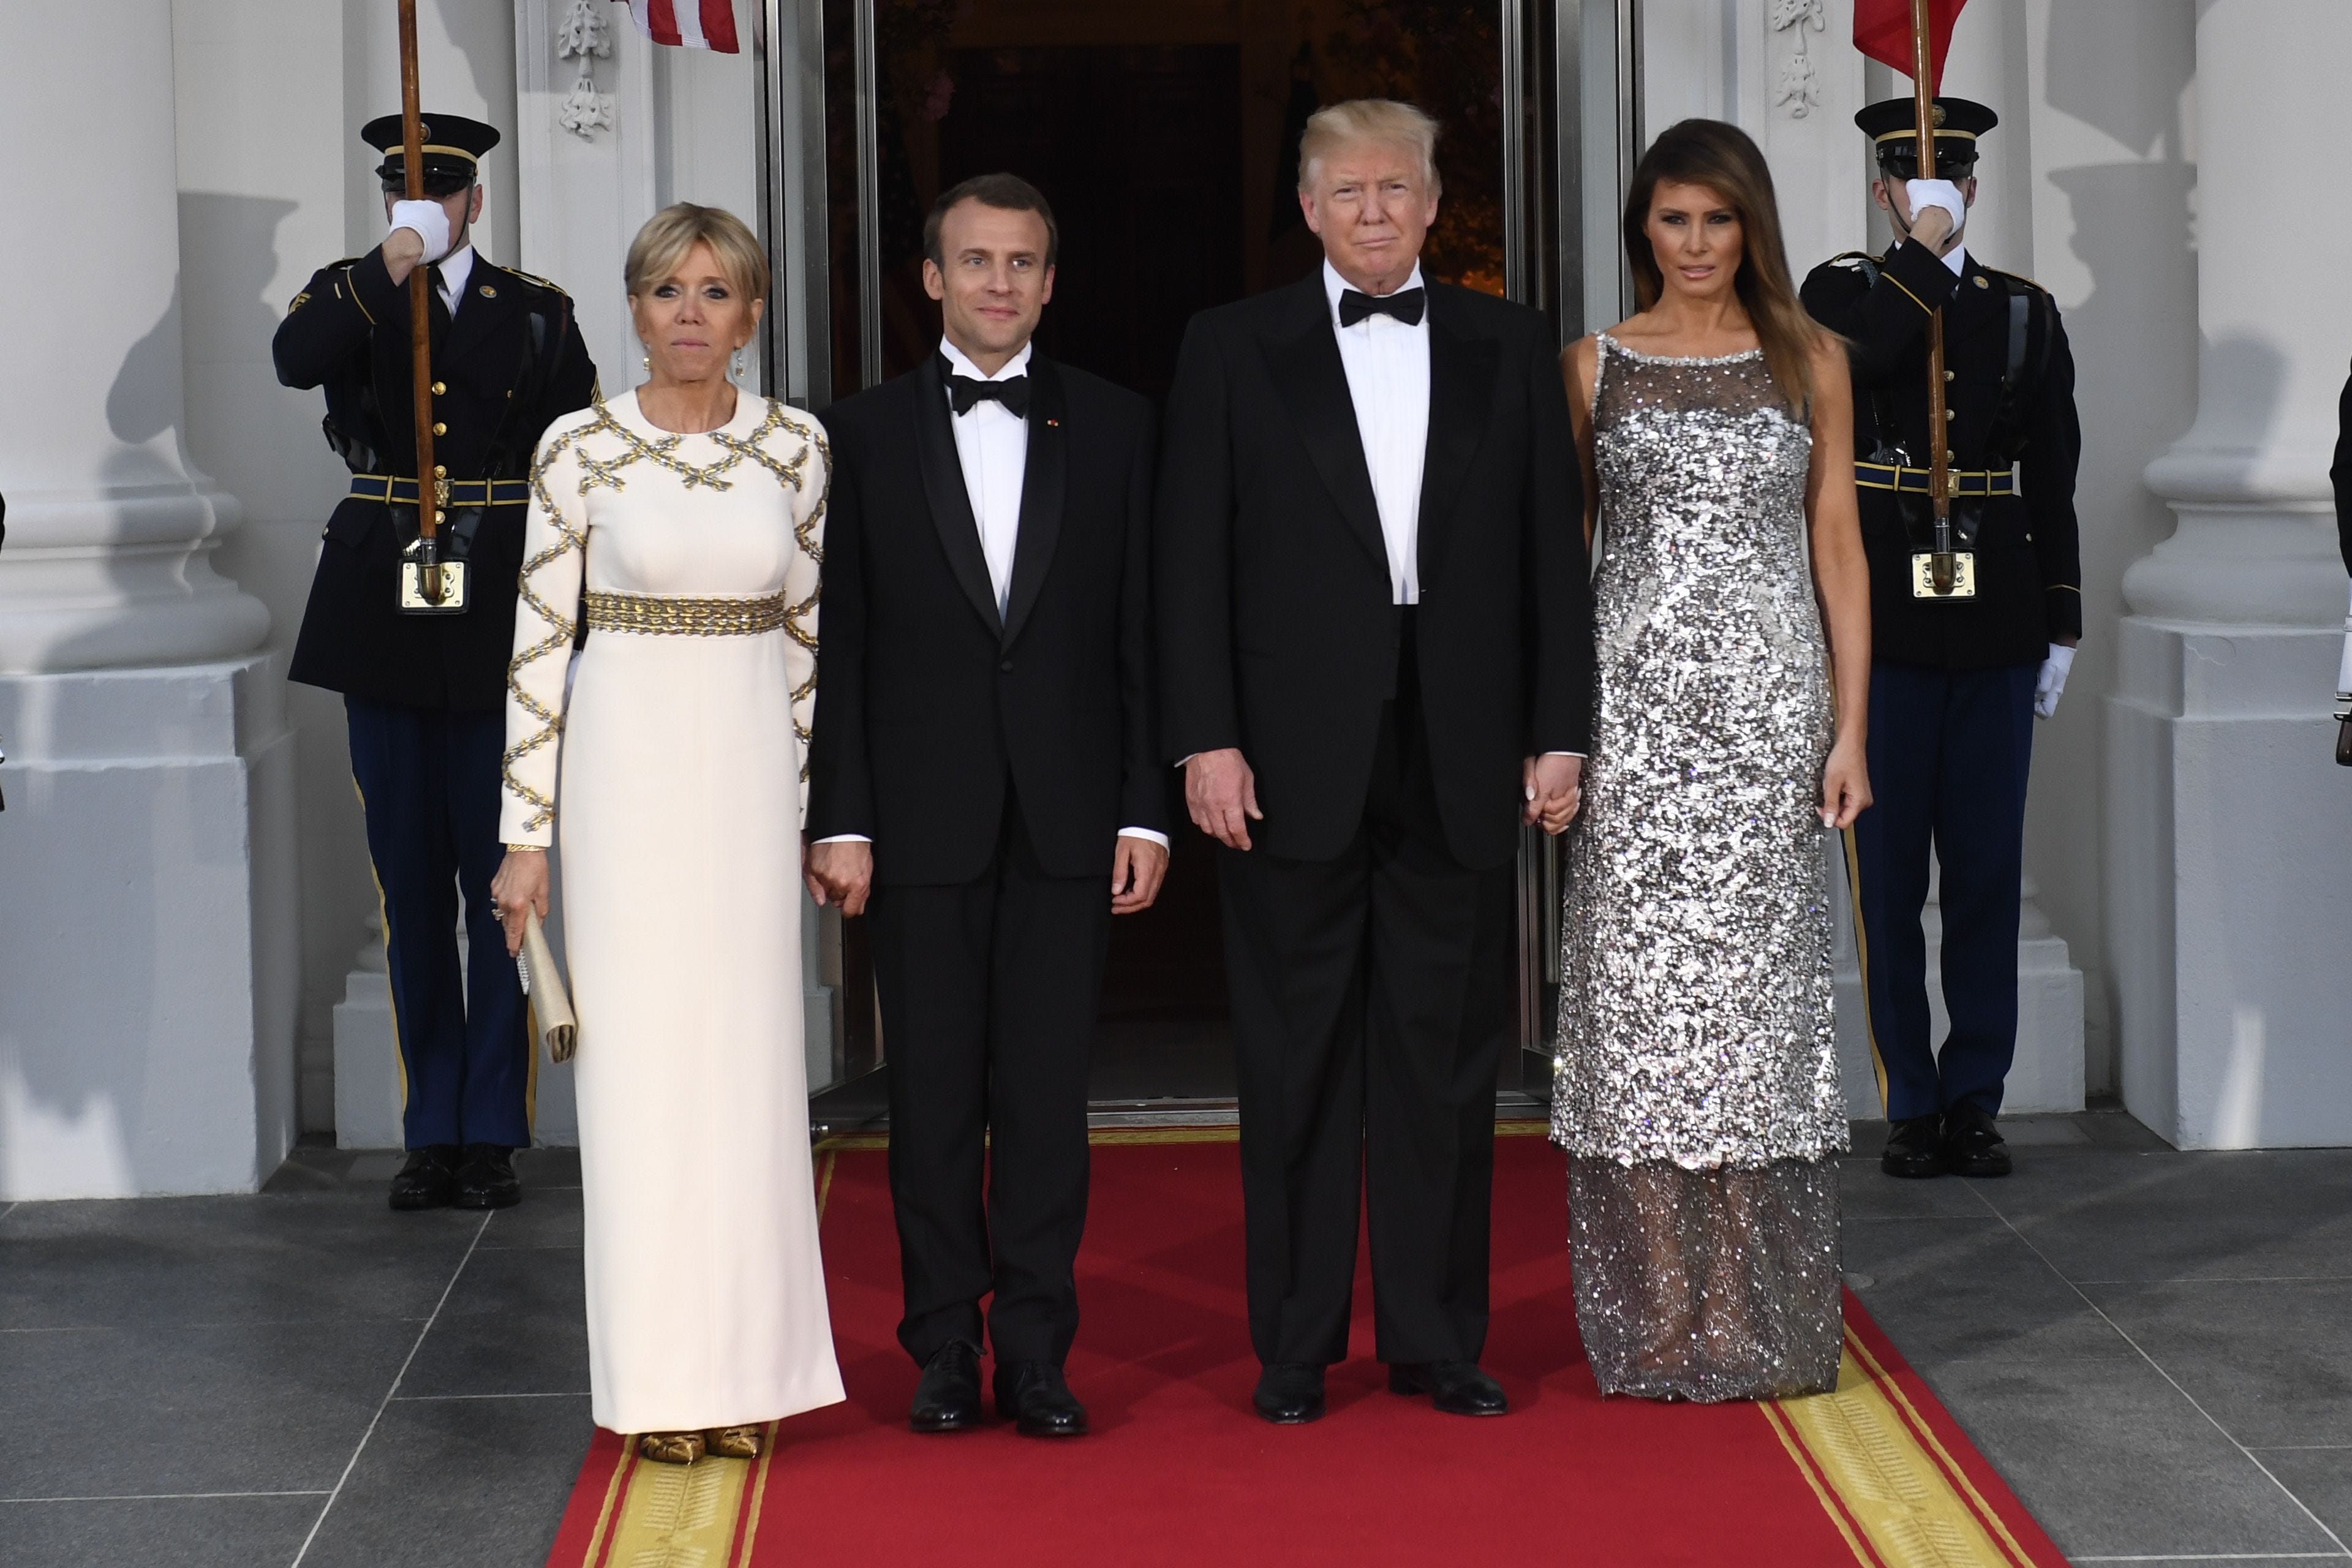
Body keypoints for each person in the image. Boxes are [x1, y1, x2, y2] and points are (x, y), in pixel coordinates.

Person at [1157, 100, 1594, 1426]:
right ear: (1307, 205)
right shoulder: (1231, 347)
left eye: (1396, 189)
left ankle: (1433, 1336)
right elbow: (1189, 562)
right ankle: (1294, 1347)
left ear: (1433, 201)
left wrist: (1560, 724)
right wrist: (1204, 736)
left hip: (1461, 747)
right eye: (1347, 191)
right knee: (1292, 1061)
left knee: (1445, 1060)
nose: (1373, 212)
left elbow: (1547, 559)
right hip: (1285, 755)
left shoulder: (1507, 343)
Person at [804, 175, 1166, 1439]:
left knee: (1049, 1100)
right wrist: (839, 814)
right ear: (931, 277)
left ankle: (1039, 1350)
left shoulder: (1121, 426)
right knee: (936, 1100)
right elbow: (839, 640)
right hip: (918, 818)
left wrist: (1146, 808)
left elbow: (1141, 635)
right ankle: (943, 1349)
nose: (999, 282)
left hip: (1071, 816)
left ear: (1051, 282)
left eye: (1022, 262)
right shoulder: (851, 434)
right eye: (976, 261)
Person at [489, 204, 842, 1464]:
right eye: (665, 289)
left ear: (752, 314)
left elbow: (807, 646)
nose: (690, 311)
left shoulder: (799, 447)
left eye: (716, 289)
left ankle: (751, 1371)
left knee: (748, 1077)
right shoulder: (575, 448)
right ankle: (658, 1382)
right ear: (634, 309)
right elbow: (539, 642)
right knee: (642, 1086)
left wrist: (812, 815)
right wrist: (524, 832)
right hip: (622, 774)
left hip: (748, 780)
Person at [1550, 119, 1869, 1403]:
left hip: (1766, 727)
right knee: (1638, 1024)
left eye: (1718, 221)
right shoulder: (1591, 366)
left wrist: (1852, 728)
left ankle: (1745, 1311)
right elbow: (1561, 563)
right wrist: (1557, 730)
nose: (1695, 246)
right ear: (1644, 227)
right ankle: (1658, 1312)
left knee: (1754, 1026)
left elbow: (1838, 543)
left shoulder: (1812, 358)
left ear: (1752, 226)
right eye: (1673, 220)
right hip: (1633, 722)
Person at [277, 114, 597, 1212]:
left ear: (475, 199)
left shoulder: (538, 311)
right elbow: (291, 363)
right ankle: (431, 1125)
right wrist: (387, 269)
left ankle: (492, 1128)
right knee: (407, 879)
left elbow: (573, 458)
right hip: (383, 605)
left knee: (501, 878)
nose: (423, 206)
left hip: (502, 600)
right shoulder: (351, 292)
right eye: (403, 192)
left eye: (443, 192)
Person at [1800, 98, 2082, 1182]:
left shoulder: (2024, 312)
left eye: (1951, 184)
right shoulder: (1842, 291)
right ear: (1884, 193)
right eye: (1911, 186)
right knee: (1884, 874)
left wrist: (2059, 619)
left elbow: (2053, 473)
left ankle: (1975, 1097)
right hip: (1881, 623)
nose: (1934, 198)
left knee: (1983, 873)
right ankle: (1907, 1098)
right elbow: (1860, 353)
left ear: (1974, 189)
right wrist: (1914, 253)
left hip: (1996, 614)